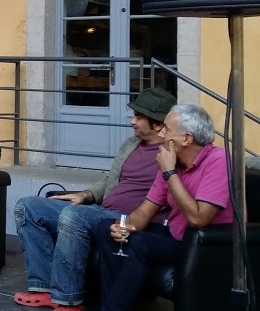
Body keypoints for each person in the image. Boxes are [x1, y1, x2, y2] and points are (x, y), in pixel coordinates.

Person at [13, 87, 177, 310]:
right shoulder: (131, 145)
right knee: (28, 207)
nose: (132, 121)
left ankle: (68, 299)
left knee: (74, 216)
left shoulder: (172, 154)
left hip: (126, 219)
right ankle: (43, 287)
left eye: (138, 117)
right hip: (100, 209)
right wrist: (87, 194)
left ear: (158, 124)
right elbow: (111, 177)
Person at [94, 103, 233, 311]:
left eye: (167, 129)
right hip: (175, 236)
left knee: (140, 243)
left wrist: (169, 173)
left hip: (206, 245)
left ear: (186, 138)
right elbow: (145, 213)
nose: (161, 134)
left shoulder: (219, 160)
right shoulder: (171, 162)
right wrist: (123, 227)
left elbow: (198, 219)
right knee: (104, 228)